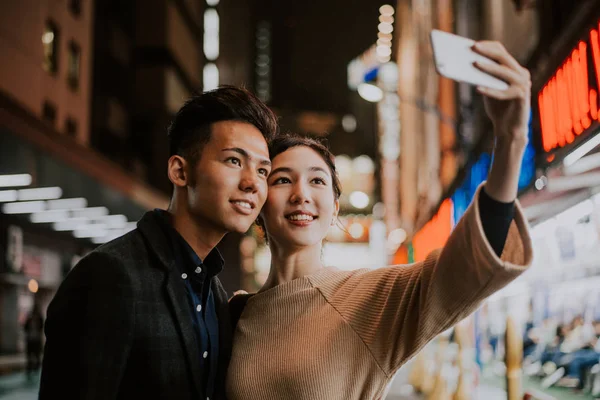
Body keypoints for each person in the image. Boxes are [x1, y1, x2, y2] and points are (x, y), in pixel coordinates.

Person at [226, 41, 533, 399]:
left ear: (335, 209)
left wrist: (511, 139)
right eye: (282, 179)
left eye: (317, 180)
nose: (301, 194)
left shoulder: (367, 298)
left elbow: (468, 268)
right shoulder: (235, 314)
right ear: (260, 201)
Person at [40, 86, 278, 399]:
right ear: (180, 171)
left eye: (263, 170)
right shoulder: (110, 275)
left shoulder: (216, 295)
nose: (252, 183)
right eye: (234, 161)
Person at [23, 301, 44, 377]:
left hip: (36, 339)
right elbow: (25, 327)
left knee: (36, 355)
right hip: (30, 339)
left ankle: (36, 368)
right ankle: (29, 367)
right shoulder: (30, 318)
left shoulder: (39, 318)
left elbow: (42, 327)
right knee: (30, 355)